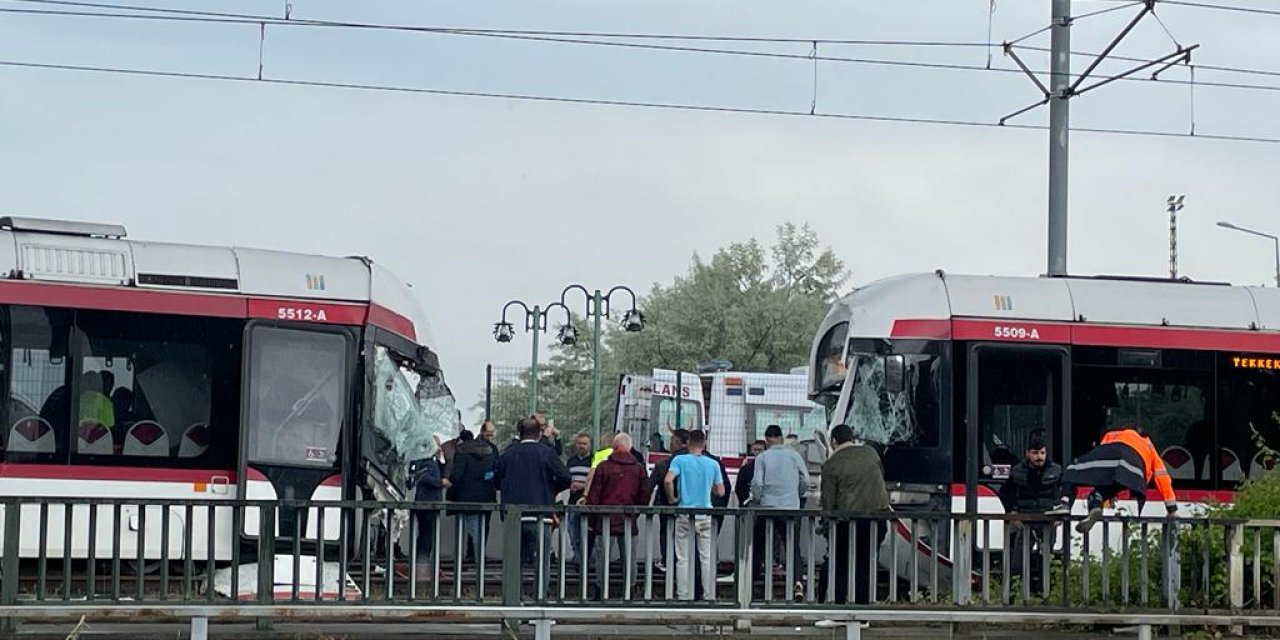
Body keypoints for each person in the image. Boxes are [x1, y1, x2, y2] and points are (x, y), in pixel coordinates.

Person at [1047, 425, 1177, 533]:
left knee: (1071, 470)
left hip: (1113, 455)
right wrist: (1172, 510)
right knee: (1099, 492)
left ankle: (1064, 503)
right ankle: (1096, 506)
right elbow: (1162, 476)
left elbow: (1102, 454)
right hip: (1134, 473)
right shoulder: (1149, 446)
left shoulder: (1114, 434)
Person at [493, 417, 572, 583]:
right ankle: (540, 596)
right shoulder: (546, 453)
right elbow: (565, 477)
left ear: (519, 434)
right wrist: (551, 489)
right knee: (542, 558)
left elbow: (496, 480)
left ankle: (514, 595)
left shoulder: (508, 454)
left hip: (513, 515)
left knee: (515, 559)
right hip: (541, 513)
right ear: (539, 434)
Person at [818, 424, 890, 604]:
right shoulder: (871, 453)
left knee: (840, 566)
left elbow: (828, 502)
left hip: (847, 523)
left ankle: (838, 609)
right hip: (877, 519)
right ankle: (862, 611)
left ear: (833, 441)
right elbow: (880, 476)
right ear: (852, 437)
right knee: (865, 566)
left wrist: (826, 525)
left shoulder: (831, 465)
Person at [584, 432, 648, 599]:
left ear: (614, 447)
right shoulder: (639, 469)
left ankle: (600, 592)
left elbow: (594, 496)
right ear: (630, 448)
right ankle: (630, 591)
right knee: (629, 558)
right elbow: (644, 495)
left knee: (602, 558)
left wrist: (592, 520)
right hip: (628, 519)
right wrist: (636, 512)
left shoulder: (604, 467)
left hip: (605, 519)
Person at [664, 429, 724, 601]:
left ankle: (683, 595)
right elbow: (721, 491)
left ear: (688, 442)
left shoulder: (680, 460)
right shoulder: (713, 464)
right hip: (705, 515)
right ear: (704, 444)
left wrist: (672, 497)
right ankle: (709, 595)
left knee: (682, 558)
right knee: (706, 558)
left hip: (685, 514)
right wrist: (710, 488)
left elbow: (668, 480)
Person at [750, 424, 810, 593]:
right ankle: (797, 581)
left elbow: (757, 483)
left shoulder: (763, 457)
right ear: (781, 438)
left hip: (768, 507)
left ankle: (753, 580)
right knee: (792, 545)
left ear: (767, 440)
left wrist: (758, 499)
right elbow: (805, 480)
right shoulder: (794, 456)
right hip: (790, 507)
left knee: (758, 543)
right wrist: (796, 494)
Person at [997, 434, 1061, 590]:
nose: (1039, 457)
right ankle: (1014, 594)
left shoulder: (1057, 471)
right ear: (1027, 453)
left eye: (1042, 453)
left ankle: (1044, 594)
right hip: (1025, 521)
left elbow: (1063, 493)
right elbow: (1005, 493)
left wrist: (1060, 512)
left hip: (1048, 520)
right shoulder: (1017, 471)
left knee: (1047, 561)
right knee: (1018, 562)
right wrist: (1011, 512)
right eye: (1035, 453)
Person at [449, 429, 497, 565]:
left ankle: (469, 559)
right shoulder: (488, 451)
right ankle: (479, 557)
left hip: (465, 496)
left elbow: (457, 475)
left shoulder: (462, 452)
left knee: (465, 529)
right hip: (486, 495)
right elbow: (493, 472)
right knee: (479, 528)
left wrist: (450, 484)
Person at [649, 428, 690, 571]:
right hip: (692, 509)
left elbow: (649, 486)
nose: (669, 444)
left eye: (671, 441)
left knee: (667, 534)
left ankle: (667, 562)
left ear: (678, 443)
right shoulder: (700, 462)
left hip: (667, 506)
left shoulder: (663, 464)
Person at [565, 433, 594, 565]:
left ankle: (587, 559)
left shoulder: (594, 461)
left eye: (584, 443)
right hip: (572, 501)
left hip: (587, 502)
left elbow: (595, 481)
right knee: (572, 530)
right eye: (579, 443)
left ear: (590, 445)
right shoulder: (571, 461)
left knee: (586, 532)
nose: (581, 446)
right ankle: (577, 557)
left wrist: (582, 486)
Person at [735, 440, 768, 507]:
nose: (757, 452)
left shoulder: (770, 468)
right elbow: (739, 488)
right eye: (755, 450)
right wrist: (744, 502)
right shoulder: (745, 469)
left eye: (760, 450)